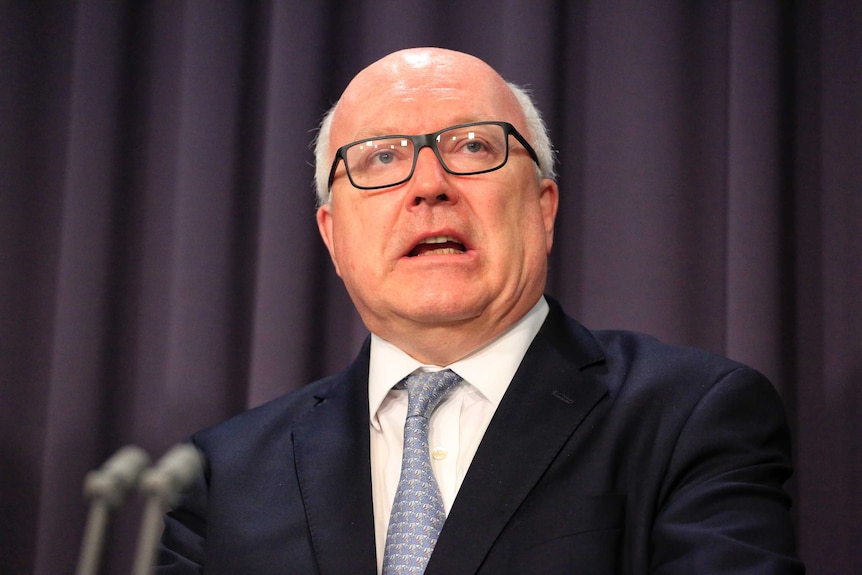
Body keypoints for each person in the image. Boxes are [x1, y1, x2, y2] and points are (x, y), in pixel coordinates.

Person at [157, 47, 803, 574]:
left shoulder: (690, 418)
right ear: (332, 235)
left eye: (472, 146)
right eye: (382, 157)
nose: (429, 185)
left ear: (543, 209)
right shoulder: (217, 478)